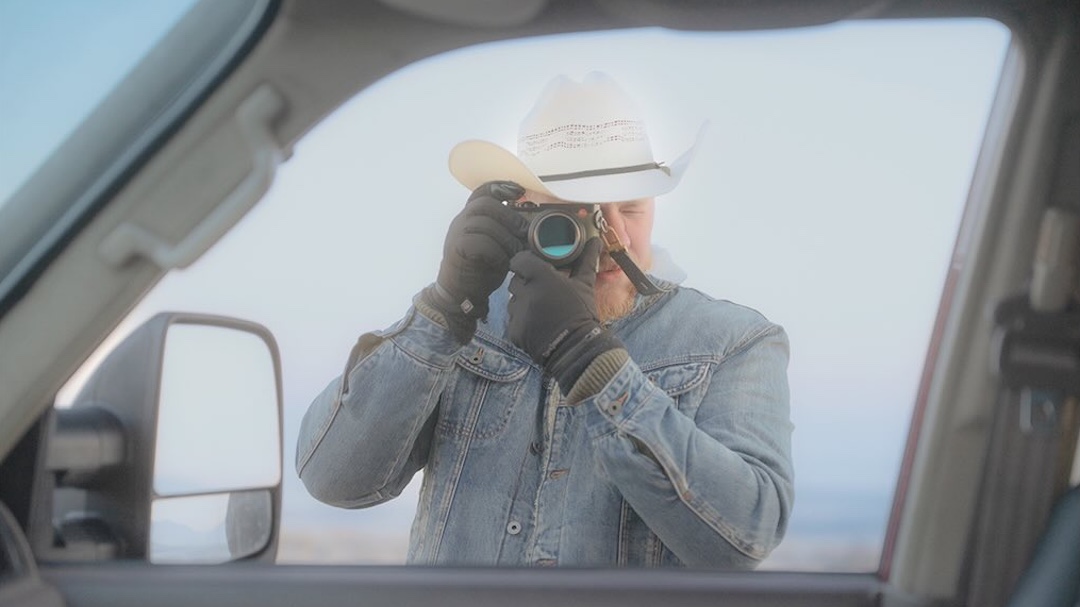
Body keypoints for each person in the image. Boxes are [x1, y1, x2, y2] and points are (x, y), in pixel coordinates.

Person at [296, 72, 794, 569]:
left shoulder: (732, 342)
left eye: (632, 210)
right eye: (582, 215)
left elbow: (746, 539)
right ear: (526, 214)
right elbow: (334, 479)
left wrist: (590, 362)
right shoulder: (469, 326)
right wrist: (444, 311)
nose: (614, 240)